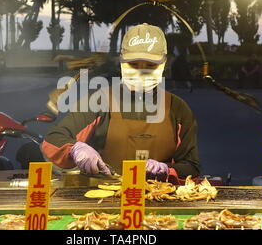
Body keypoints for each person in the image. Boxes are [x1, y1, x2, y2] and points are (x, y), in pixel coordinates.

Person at [42, 23, 200, 184]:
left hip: (160, 197)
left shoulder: (178, 109)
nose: (142, 71)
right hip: (104, 198)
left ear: (164, 64)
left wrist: (166, 169)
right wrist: (75, 149)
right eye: (134, 64)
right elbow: (53, 139)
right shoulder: (100, 101)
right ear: (122, 62)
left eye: (151, 65)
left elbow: (191, 167)